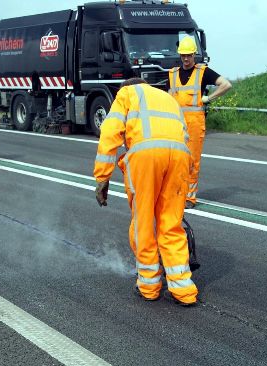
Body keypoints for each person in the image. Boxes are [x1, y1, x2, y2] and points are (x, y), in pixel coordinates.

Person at [94, 78, 199, 306]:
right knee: (171, 223)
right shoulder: (168, 98)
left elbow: (110, 131)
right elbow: (185, 136)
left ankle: (149, 286)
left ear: (127, 86)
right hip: (180, 157)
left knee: (143, 222)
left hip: (145, 157)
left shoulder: (126, 94)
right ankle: (183, 290)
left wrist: (102, 177)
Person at [167, 36, 232, 209]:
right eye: (183, 55)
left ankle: (189, 197)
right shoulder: (172, 74)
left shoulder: (203, 72)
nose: (186, 59)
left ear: (194, 54)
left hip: (195, 125)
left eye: (189, 55)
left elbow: (226, 85)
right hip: (176, 125)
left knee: (192, 161)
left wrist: (208, 98)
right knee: (174, 161)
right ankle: (175, 193)